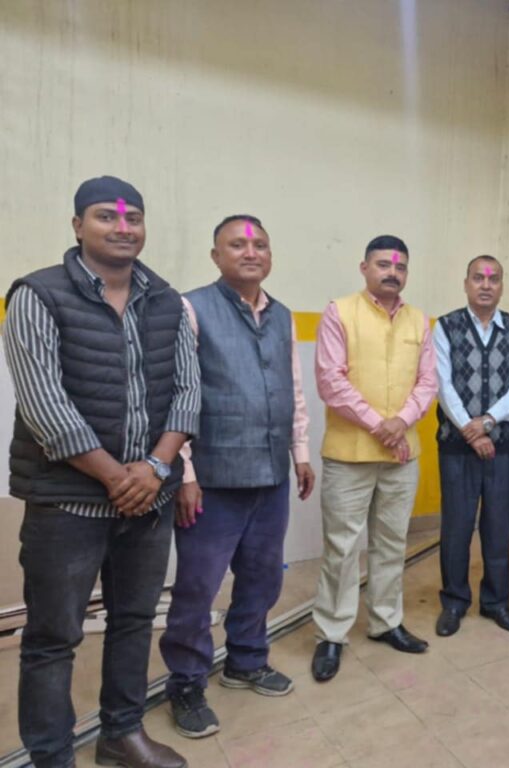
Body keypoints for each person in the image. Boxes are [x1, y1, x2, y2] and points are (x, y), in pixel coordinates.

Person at [3, 176, 199, 768]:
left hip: (148, 502)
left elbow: (189, 393)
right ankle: (52, 758)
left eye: (132, 217)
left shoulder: (167, 301)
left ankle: (121, 735)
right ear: (77, 226)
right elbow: (45, 407)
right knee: (52, 639)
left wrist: (157, 467)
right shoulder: (36, 295)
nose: (122, 227)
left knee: (134, 621)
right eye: (106, 216)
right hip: (67, 505)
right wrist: (118, 477)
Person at [159, 215, 315, 738]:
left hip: (270, 476)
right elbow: (175, 394)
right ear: (216, 256)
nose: (251, 253)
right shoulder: (191, 309)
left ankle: (246, 659)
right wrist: (183, 472)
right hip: (212, 480)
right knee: (198, 587)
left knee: (263, 576)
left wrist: (299, 452)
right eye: (238, 244)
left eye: (260, 245)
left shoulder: (283, 315)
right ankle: (186, 681)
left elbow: (293, 388)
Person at [310, 235, 438, 682]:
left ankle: (386, 621)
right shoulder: (339, 312)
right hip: (350, 454)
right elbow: (331, 380)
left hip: (401, 455)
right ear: (364, 268)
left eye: (400, 267)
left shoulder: (419, 320)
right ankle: (332, 633)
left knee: (391, 542)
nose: (392, 273)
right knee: (342, 548)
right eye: (383, 264)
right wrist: (379, 424)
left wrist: (400, 421)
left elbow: (427, 382)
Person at [433, 255, 509, 637]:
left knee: (498, 528)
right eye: (478, 278)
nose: (486, 285)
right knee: (456, 528)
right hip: (457, 449)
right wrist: (471, 432)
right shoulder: (446, 327)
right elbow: (443, 386)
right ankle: (454, 602)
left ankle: (496, 602)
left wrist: (488, 422)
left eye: (493, 279)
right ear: (466, 283)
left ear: (502, 285)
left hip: (503, 449)